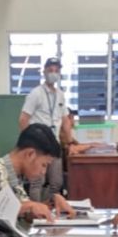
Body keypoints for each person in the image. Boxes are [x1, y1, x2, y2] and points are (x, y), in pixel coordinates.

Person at [0, 125, 73, 222]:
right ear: (30, 154)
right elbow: (0, 214)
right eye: (44, 165)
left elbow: (24, 214)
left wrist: (51, 202)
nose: (43, 172)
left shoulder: (17, 177)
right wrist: (31, 206)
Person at [19, 57, 72, 202]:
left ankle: (47, 207)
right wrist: (29, 143)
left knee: (56, 183)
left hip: (54, 144)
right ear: (44, 72)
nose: (53, 73)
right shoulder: (36, 93)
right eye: (50, 70)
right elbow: (23, 119)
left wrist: (69, 142)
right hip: (38, 145)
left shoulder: (60, 94)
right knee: (37, 181)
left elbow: (66, 119)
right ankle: (35, 214)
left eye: (56, 70)